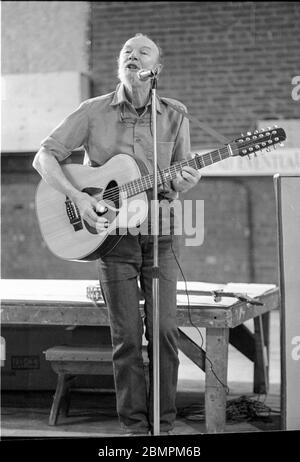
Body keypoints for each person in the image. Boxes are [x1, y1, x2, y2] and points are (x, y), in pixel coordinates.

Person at [33, 33, 200, 435]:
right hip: (111, 236)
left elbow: (181, 173)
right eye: (126, 51)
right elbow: (45, 156)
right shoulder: (93, 111)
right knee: (126, 338)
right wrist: (79, 196)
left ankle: (164, 425)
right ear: (119, 65)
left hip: (159, 233)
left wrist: (185, 182)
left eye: (143, 52)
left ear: (155, 70)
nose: (133, 56)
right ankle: (135, 428)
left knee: (163, 333)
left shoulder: (175, 114)